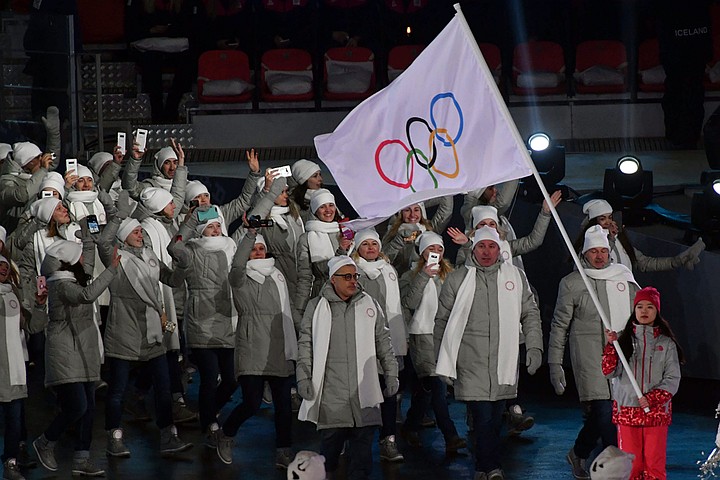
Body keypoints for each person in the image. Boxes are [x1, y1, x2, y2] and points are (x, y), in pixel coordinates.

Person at [434, 226, 543, 480]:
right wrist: (442, 361)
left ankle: (483, 466)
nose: (486, 251)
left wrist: (535, 346)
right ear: (473, 249)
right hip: (470, 358)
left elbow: (530, 313)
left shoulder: (514, 276)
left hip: (503, 358)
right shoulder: (458, 278)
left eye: (491, 246)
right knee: (483, 417)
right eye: (481, 246)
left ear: (499, 249)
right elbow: (442, 321)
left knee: (495, 420)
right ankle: (491, 467)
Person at [96, 200, 193, 457]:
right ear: (125, 236)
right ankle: (114, 437)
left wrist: (182, 266)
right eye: (136, 232)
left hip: (152, 333)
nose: (141, 235)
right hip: (123, 333)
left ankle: (167, 435)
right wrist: (118, 217)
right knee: (117, 391)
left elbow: (171, 280)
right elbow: (103, 243)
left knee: (163, 387)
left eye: (141, 231)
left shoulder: (151, 257)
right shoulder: (116, 259)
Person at [549, 225, 641, 480]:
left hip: (622, 357)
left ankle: (579, 451)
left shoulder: (623, 278)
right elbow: (559, 325)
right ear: (584, 254)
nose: (599, 256)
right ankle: (615, 472)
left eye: (603, 250)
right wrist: (554, 363)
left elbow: (640, 319)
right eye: (593, 252)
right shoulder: (572, 283)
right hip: (590, 358)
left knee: (610, 414)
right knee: (604, 411)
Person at [296, 255, 399, 480]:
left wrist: (392, 374)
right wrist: (303, 378)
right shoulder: (317, 307)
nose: (353, 281)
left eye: (355, 276)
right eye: (347, 277)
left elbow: (384, 342)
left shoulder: (369, 304)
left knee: (361, 461)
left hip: (365, 395)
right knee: (330, 457)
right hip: (333, 397)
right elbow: (306, 345)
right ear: (333, 279)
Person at [32, 239, 119, 476]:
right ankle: (45, 441)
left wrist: (87, 234)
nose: (83, 261)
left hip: (82, 349)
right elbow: (88, 295)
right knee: (78, 405)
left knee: (89, 407)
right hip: (66, 351)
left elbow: (87, 267)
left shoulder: (71, 280)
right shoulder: (62, 285)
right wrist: (112, 268)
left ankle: (82, 458)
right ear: (69, 261)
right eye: (79, 257)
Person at [215, 231, 299, 468]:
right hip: (252, 345)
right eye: (254, 249)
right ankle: (227, 433)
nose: (258, 253)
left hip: (278, 345)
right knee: (252, 403)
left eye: (261, 248)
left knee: (283, 406)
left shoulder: (277, 275)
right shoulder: (239, 278)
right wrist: (249, 236)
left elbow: (287, 310)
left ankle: (283, 450)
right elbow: (238, 263)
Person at [167, 210, 238, 446]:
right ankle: (209, 424)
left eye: (217, 226)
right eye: (209, 227)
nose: (215, 230)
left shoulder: (230, 246)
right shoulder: (192, 250)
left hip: (227, 318)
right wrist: (191, 221)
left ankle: (209, 410)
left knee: (231, 379)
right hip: (201, 321)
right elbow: (173, 249)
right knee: (209, 376)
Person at [602, 287, 682, 480]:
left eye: (650, 307)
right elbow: (609, 371)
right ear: (634, 310)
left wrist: (652, 399)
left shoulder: (667, 344)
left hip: (655, 412)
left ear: (657, 311)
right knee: (631, 466)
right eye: (640, 307)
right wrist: (611, 347)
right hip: (627, 411)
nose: (644, 311)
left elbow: (672, 378)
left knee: (654, 464)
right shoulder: (622, 340)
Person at [399, 231, 466, 456]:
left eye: (439, 249)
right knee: (437, 387)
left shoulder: (450, 275)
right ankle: (451, 436)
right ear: (422, 252)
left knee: (427, 390)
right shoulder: (411, 276)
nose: (435, 253)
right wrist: (424, 276)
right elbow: (409, 303)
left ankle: (410, 426)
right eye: (430, 249)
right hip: (421, 335)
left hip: (444, 335)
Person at [351, 228, 408, 463]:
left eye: (374, 244)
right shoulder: (353, 271)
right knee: (361, 391)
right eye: (365, 244)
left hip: (388, 340)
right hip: (363, 339)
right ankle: (351, 438)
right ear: (357, 249)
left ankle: (388, 440)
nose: (371, 248)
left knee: (389, 391)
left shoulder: (388, 270)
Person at [0, 254, 47, 480]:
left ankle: (11, 461)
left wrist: (39, 307)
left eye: (4, 266)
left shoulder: (14, 295)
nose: (1, 269)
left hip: (16, 368)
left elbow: (32, 327)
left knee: (15, 419)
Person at [578, 199, 705, 272]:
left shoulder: (619, 238)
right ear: (594, 221)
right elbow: (594, 267)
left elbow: (644, 263)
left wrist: (675, 261)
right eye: (602, 219)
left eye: (610, 217)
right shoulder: (587, 245)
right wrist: (610, 239)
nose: (608, 222)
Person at [246, 172, 304, 297]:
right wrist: (267, 191)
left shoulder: (293, 215)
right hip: (273, 277)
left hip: (296, 277)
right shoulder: (263, 220)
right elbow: (252, 220)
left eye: (286, 191)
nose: (286, 195)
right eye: (281, 192)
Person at [294, 189, 351, 316]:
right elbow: (305, 278)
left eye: (331, 205)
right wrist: (299, 309)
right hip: (322, 295)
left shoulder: (346, 231)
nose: (328, 210)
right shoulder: (306, 238)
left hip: (348, 295)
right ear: (315, 211)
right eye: (322, 207)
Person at [382, 197, 453, 277]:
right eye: (407, 210)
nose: (412, 214)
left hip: (429, 278)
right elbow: (383, 259)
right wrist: (399, 241)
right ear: (400, 213)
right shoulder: (392, 233)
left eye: (416, 210)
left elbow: (446, 210)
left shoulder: (429, 230)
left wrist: (447, 187)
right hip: (403, 281)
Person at [0, 142, 55, 233]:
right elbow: (22, 196)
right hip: (15, 231)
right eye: (38, 157)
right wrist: (42, 171)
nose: (41, 160)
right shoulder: (6, 180)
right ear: (30, 162)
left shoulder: (37, 176)